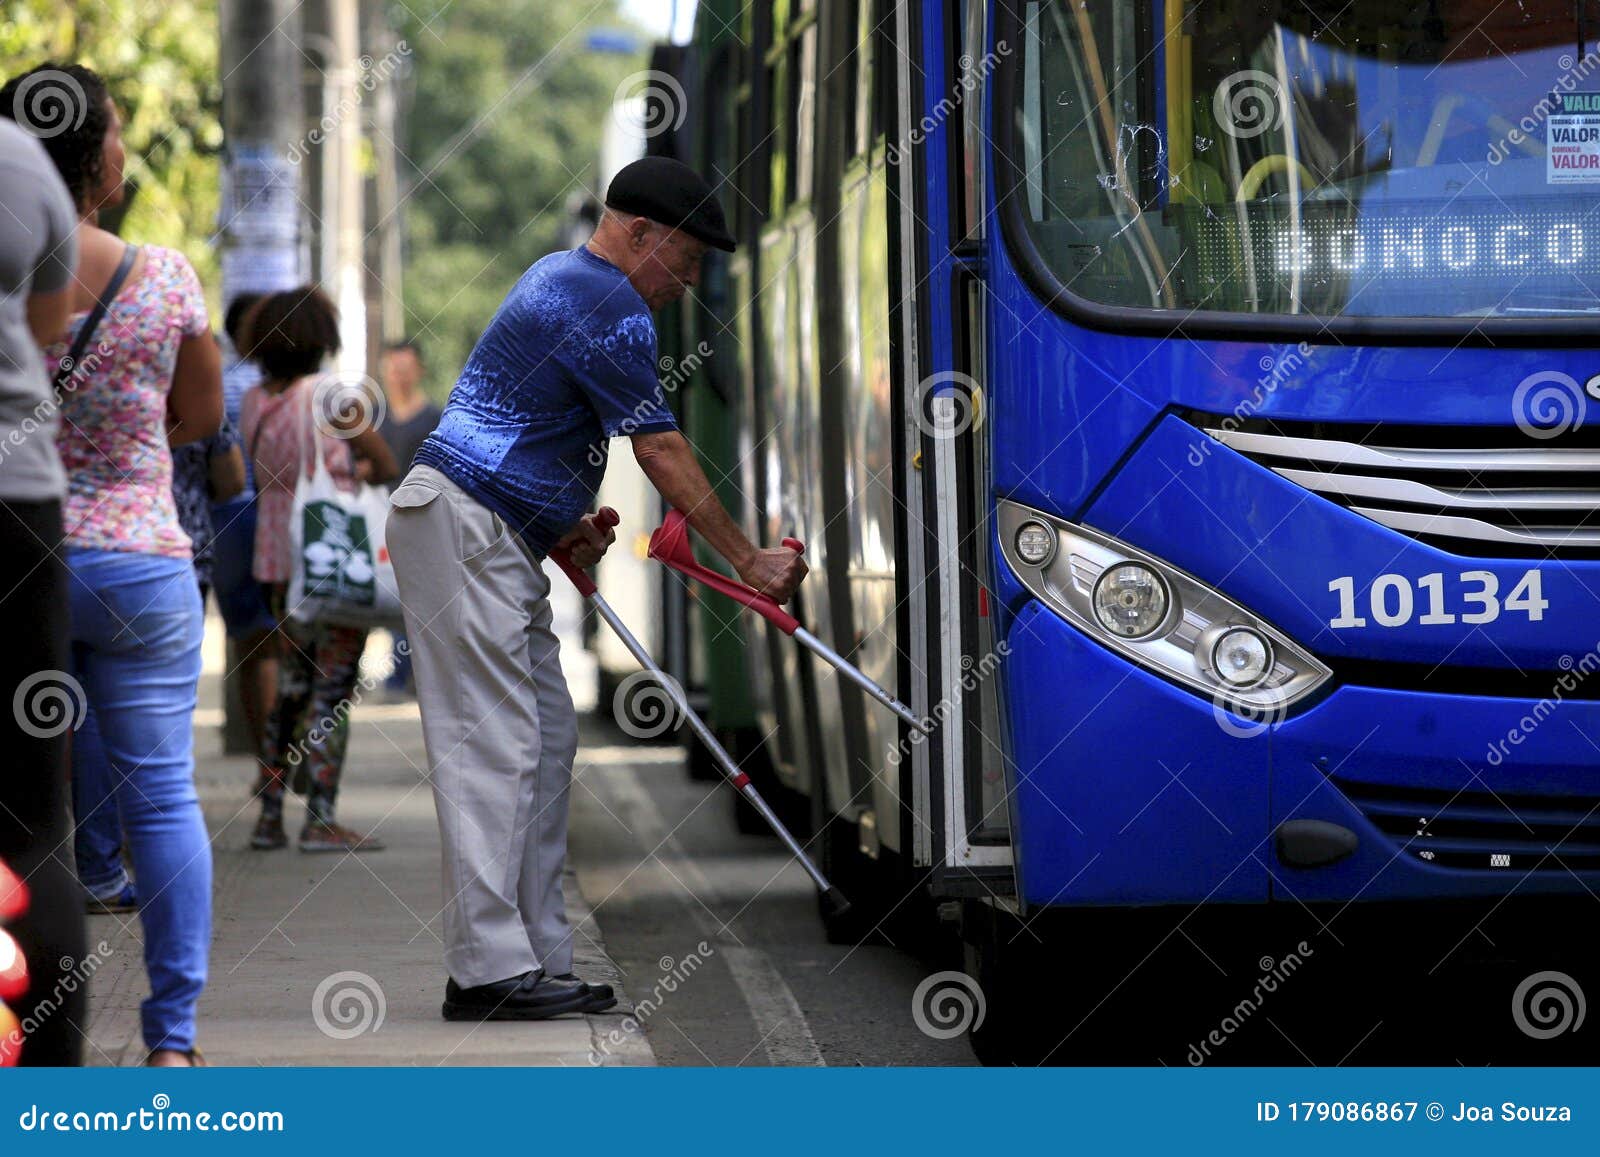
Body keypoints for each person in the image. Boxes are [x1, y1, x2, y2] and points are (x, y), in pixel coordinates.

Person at [387, 156, 806, 1022]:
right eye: (684, 262)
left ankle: (532, 954)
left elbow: (522, 427)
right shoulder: (606, 300)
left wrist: (557, 526)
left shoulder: (567, 279)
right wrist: (747, 559)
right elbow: (658, 447)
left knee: (541, 736)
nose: (684, 286)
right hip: (466, 527)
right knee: (496, 747)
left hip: (485, 527)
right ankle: (488, 972)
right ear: (642, 234)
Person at [8, 63, 223, 1067]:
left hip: (29, 551)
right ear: (95, 157)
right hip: (141, 559)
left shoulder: (13, 269)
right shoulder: (168, 278)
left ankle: (30, 1037)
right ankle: (173, 1039)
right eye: (123, 135)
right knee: (162, 795)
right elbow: (202, 419)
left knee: (28, 807)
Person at [239, 288, 398, 853]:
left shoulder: (257, 402)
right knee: (331, 691)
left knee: (290, 689)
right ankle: (322, 820)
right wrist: (351, 470)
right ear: (319, 337)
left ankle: (268, 820)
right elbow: (385, 463)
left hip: (277, 564)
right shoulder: (331, 395)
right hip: (332, 565)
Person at [0, 111, 86, 1067]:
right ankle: (49, 1085)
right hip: (17, 509)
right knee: (31, 818)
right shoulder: (21, 161)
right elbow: (45, 328)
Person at [208, 294, 280, 796]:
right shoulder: (283, 388)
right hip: (278, 523)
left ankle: (268, 764)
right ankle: (289, 758)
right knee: (290, 646)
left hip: (226, 526)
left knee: (251, 648)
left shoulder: (218, 384)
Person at [375, 338, 439, 695]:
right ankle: (399, 674)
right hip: (376, 521)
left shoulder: (434, 418)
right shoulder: (373, 417)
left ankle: (412, 673)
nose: (398, 376)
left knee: (416, 598)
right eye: (392, 368)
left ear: (419, 371)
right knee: (385, 592)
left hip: (421, 519)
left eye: (405, 368)